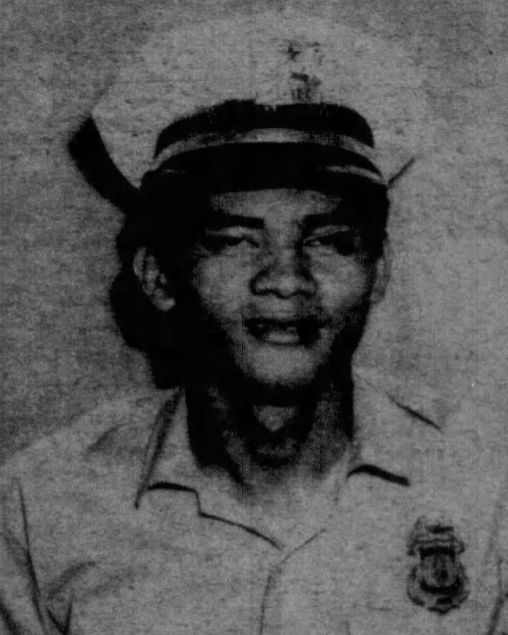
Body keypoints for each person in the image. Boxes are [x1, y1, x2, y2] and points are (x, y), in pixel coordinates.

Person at [1, 8, 507, 635]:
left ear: (378, 272)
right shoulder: (42, 509)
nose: (286, 278)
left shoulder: (486, 492)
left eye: (329, 241)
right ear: (159, 276)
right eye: (235, 241)